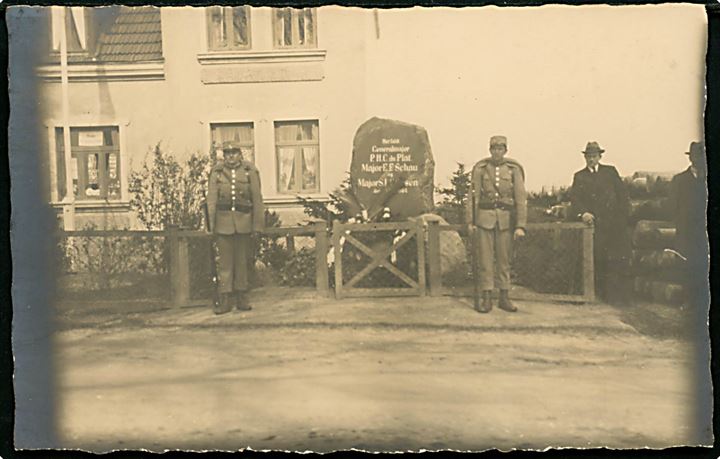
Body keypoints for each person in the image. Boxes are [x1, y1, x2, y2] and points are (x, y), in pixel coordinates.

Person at [466, 135, 527, 313]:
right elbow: (473, 197)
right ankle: (486, 297)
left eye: (500, 149)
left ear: (505, 150)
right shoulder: (481, 169)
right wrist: (470, 221)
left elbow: (520, 198)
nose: (497, 152)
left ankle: (504, 297)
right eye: (494, 149)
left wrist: (520, 225)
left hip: (506, 222)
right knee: (485, 260)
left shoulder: (513, 170)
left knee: (504, 260)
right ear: (490, 150)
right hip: (484, 220)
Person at [570, 141, 631, 305]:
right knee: (595, 258)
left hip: (613, 225)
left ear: (600, 157)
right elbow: (575, 199)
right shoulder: (579, 176)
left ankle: (615, 297)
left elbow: (622, 195)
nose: (591, 159)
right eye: (588, 156)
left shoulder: (610, 172)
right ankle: (594, 295)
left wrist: (622, 218)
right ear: (585, 157)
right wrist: (583, 213)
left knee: (615, 259)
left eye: (594, 156)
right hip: (592, 226)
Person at [206, 140, 265, 314]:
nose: (230, 157)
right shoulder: (217, 173)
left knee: (242, 261)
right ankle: (225, 298)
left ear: (240, 154)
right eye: (227, 153)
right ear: (223, 156)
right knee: (224, 264)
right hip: (223, 224)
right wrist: (210, 225)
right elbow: (211, 200)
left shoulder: (249, 171)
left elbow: (257, 199)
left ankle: (242, 297)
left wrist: (257, 226)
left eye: (234, 153)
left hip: (244, 222)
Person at [670, 141, 708, 306]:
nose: (698, 159)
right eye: (695, 156)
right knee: (686, 265)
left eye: (701, 156)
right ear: (690, 158)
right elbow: (672, 205)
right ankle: (687, 300)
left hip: (704, 230)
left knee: (704, 264)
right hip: (687, 231)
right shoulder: (679, 180)